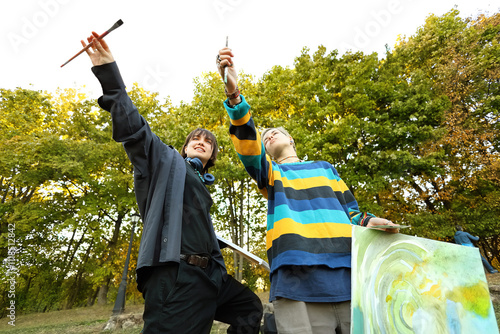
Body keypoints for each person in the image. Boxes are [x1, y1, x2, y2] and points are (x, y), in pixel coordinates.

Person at [81, 32, 262, 334]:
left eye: (209, 141)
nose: (202, 142)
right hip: (175, 276)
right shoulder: (164, 162)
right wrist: (108, 74)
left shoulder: (203, 187)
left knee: (250, 308)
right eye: (196, 139)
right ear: (185, 147)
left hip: (211, 278)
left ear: (214, 155)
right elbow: (135, 130)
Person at [216, 47, 400, 334]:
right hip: (296, 277)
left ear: (291, 138)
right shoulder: (272, 174)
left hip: (348, 274)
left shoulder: (325, 168)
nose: (269, 136)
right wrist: (234, 95)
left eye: (274, 132)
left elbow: (351, 211)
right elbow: (248, 146)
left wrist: (369, 221)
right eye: (264, 138)